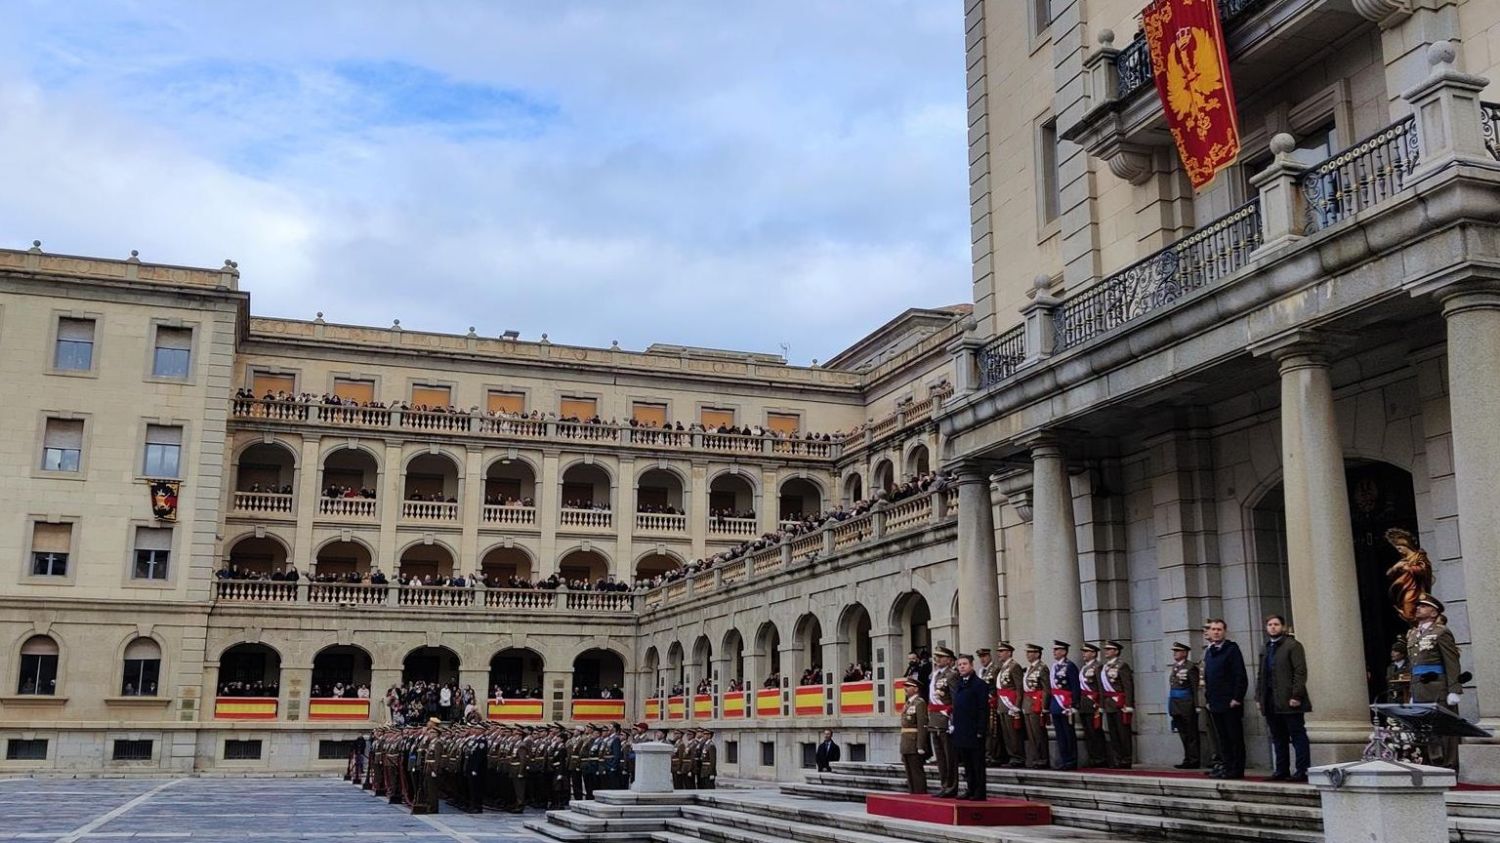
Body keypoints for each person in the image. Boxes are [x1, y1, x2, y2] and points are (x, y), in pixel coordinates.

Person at [1406, 594, 1463, 771]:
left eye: (1423, 606)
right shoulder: (1413, 634)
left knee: (1445, 728)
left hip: (1438, 687)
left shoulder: (1441, 632)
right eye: (1418, 606)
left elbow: (1451, 661)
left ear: (1433, 612)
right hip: (1419, 688)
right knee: (1427, 728)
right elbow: (1413, 665)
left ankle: (1449, 765)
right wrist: (1412, 692)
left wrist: (1454, 689)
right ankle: (1433, 764)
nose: (1418, 608)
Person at [1256, 614, 1311, 782]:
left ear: (1283, 627)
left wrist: (1296, 695)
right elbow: (1261, 675)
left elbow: (1300, 672)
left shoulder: (1292, 645)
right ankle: (1281, 769)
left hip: (1289, 699)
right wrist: (1259, 697)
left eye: (1276, 624)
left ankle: (1302, 770)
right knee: (1278, 736)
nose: (1273, 627)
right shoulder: (1265, 648)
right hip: (1271, 699)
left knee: (1297, 735)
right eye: (1270, 624)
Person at [1203, 618, 1248, 779]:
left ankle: (1237, 769)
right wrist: (1207, 698)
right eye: (1213, 629)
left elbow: (1240, 675)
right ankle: (1227, 767)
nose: (1215, 632)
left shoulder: (1231, 649)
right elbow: (1208, 677)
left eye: (1219, 629)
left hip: (1230, 702)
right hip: (1215, 702)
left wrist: (1237, 697)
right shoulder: (1209, 651)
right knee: (1222, 738)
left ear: (1224, 631)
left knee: (1234, 736)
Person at [949, 654, 990, 800]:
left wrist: (981, 729)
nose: (961, 667)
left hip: (974, 730)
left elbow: (983, 709)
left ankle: (979, 792)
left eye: (964, 664)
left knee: (977, 763)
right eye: (959, 664)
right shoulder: (960, 683)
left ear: (971, 665)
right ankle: (970, 788)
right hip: (961, 730)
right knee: (967, 763)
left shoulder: (979, 685)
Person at [928, 646, 958, 798]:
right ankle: (944, 784)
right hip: (934, 718)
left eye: (941, 657)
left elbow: (954, 699)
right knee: (940, 756)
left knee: (949, 755)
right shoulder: (935, 676)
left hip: (945, 719)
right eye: (936, 657)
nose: (937, 659)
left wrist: (952, 719)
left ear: (948, 659)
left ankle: (951, 786)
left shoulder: (951, 675)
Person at [1100, 640, 1134, 769]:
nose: (1106, 651)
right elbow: (1103, 689)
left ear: (1116, 651)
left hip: (1120, 704)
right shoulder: (1105, 667)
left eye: (1109, 649)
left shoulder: (1122, 666)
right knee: (1113, 733)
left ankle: (1126, 759)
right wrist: (1102, 705)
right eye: (1106, 649)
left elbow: (1128, 686)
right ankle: (1118, 758)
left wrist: (1129, 704)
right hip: (1109, 704)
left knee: (1123, 733)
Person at [991, 642, 1026, 768]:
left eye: (1002, 651)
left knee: (1013, 733)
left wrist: (1017, 705)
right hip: (1002, 704)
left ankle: (1018, 757)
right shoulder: (1002, 667)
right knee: (1006, 733)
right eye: (998, 651)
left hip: (1010, 704)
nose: (999, 654)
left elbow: (1019, 688)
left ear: (1009, 652)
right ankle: (1011, 755)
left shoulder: (1014, 666)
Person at [1168, 641, 1201, 769]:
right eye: (1174, 651)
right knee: (1183, 733)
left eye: (1177, 651)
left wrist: (1197, 705)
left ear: (1185, 653)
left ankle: (1194, 759)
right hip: (1176, 704)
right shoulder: (1175, 667)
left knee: (1191, 733)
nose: (1175, 653)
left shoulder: (1190, 667)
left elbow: (1195, 687)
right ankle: (1187, 758)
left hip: (1187, 703)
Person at [1048, 640, 1080, 770]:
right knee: (1060, 734)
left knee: (1068, 733)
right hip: (1056, 704)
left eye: (1057, 650)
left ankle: (1071, 760)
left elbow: (1075, 687)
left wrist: (1074, 705)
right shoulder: (1054, 667)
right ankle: (1064, 758)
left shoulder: (1070, 666)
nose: (1054, 652)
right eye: (1054, 650)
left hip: (1066, 704)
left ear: (1064, 651)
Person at [898, 677, 931, 794]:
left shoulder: (919, 703)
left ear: (916, 689)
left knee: (916, 772)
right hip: (906, 742)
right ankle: (913, 793)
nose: (905, 689)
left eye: (908, 686)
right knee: (909, 773)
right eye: (905, 686)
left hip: (914, 741)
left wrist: (921, 745)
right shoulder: (907, 703)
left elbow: (922, 725)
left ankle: (920, 793)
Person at [1077, 642, 1106, 767]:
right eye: (1083, 652)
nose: (1084, 654)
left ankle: (1100, 758)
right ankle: (1093, 757)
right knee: (1088, 733)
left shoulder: (1098, 666)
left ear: (1093, 653)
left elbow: (1100, 686)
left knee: (1096, 732)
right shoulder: (1084, 668)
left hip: (1093, 703)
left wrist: (1100, 704)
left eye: (1086, 652)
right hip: (1084, 703)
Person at [1021, 643, 1050, 769]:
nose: (1028, 655)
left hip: (1037, 704)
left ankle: (1042, 759)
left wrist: (1044, 707)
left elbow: (1046, 689)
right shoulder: (1030, 668)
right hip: (1028, 704)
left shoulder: (1042, 668)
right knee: (1031, 734)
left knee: (1038, 733)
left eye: (1031, 652)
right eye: (1027, 652)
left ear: (1037, 654)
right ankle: (1035, 758)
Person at [1384, 639, 1411, 704]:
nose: (1392, 653)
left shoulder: (1409, 666)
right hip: (1392, 699)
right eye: (1392, 651)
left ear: (1402, 654)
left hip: (1404, 698)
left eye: (1396, 651)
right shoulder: (1390, 667)